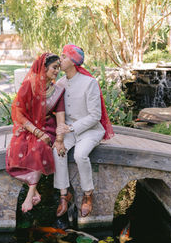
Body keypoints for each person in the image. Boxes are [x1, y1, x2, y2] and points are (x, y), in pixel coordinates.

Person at [53, 44, 114, 218]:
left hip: (90, 130)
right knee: (57, 151)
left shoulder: (90, 83)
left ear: (73, 61)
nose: (60, 60)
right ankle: (64, 195)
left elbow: (95, 116)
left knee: (80, 155)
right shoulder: (60, 83)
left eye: (64, 56)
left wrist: (71, 127)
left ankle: (88, 195)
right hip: (69, 131)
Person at [6, 53, 66, 213]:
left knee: (40, 147)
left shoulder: (57, 91)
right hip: (30, 127)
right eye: (54, 67)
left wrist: (59, 139)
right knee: (18, 149)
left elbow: (60, 117)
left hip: (49, 127)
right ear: (44, 67)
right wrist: (37, 132)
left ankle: (30, 195)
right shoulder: (29, 86)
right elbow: (18, 113)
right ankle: (35, 191)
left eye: (59, 68)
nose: (57, 71)